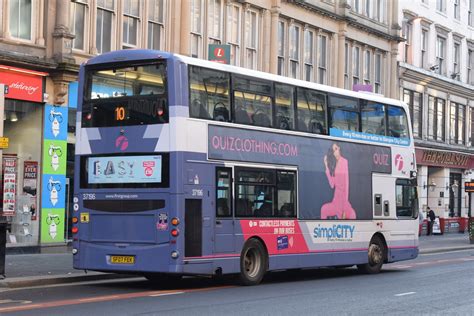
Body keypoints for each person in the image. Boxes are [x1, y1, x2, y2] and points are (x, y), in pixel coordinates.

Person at [321, 143, 356, 219]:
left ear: (339, 149)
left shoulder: (344, 162)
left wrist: (344, 209)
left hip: (343, 202)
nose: (335, 152)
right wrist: (326, 166)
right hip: (336, 201)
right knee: (323, 209)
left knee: (351, 216)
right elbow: (332, 184)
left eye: (336, 149)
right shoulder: (335, 165)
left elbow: (346, 185)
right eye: (333, 150)